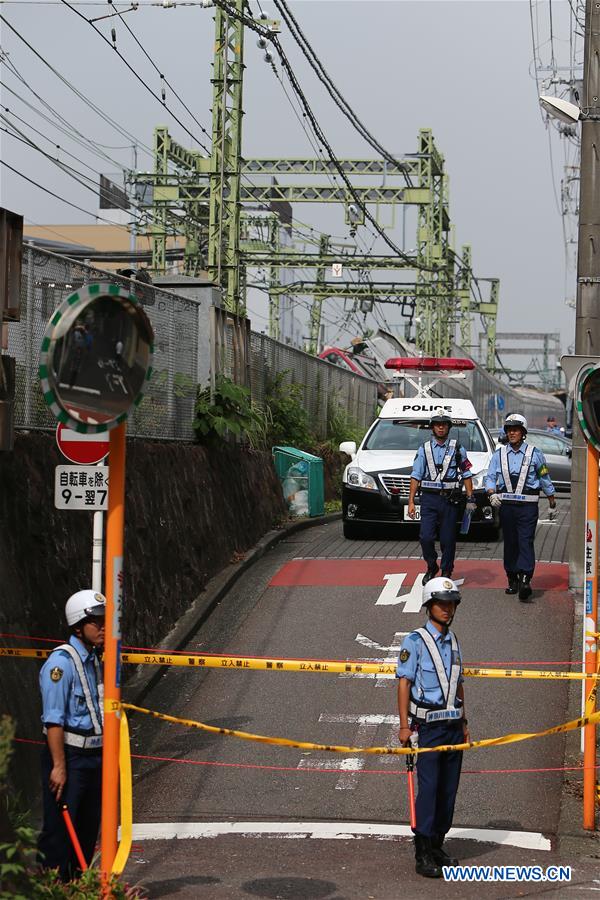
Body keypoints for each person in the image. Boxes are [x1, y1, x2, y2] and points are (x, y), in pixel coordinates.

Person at [397, 576, 469, 879]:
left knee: (448, 789)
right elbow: (404, 683)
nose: (447, 609)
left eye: (451, 604)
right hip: (427, 727)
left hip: (453, 725)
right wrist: (404, 726)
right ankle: (423, 850)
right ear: (429, 605)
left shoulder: (454, 641)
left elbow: (458, 683)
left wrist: (465, 721)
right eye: (441, 604)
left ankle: (438, 843)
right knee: (428, 789)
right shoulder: (414, 641)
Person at [38, 590, 106, 880]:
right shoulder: (61, 664)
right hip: (70, 757)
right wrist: (59, 766)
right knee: (59, 833)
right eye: (97, 622)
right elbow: (53, 720)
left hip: (94, 757)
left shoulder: (94, 660)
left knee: (87, 831)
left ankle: (78, 886)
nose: (103, 627)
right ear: (78, 626)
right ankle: (52, 888)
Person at [485, 414, 556, 601]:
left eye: (515, 430)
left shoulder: (535, 453)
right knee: (510, 542)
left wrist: (552, 501)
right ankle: (512, 578)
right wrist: (491, 493)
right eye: (509, 430)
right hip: (507, 507)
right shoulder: (498, 455)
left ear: (523, 433)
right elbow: (490, 477)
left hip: (528, 507)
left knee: (525, 540)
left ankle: (525, 579)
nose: (512, 433)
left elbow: (544, 477)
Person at [407, 409, 476, 582]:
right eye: (437, 425)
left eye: (444, 425)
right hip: (429, 499)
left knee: (448, 539)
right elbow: (415, 475)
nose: (440, 428)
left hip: (449, 500)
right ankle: (432, 566)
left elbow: (467, 474)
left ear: (448, 427)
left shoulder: (458, 449)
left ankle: (446, 570)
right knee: (425, 537)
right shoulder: (424, 449)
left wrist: (470, 498)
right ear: (432, 427)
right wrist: (411, 501)